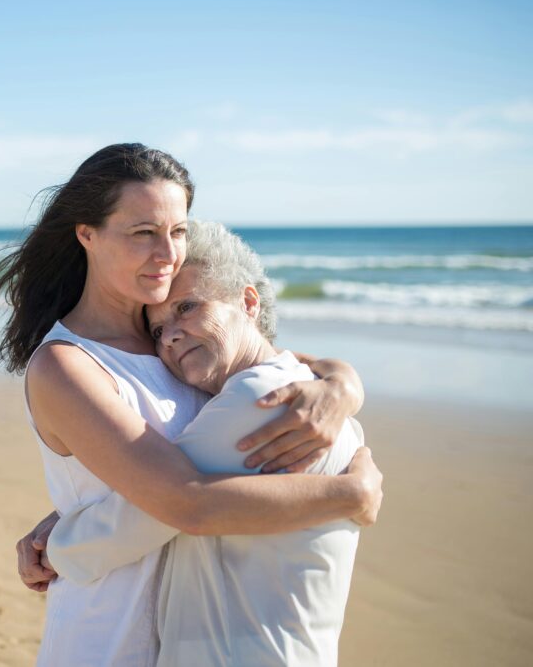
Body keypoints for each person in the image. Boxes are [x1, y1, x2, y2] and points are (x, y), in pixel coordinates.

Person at [0, 143, 382, 666]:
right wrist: (348, 495)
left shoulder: (169, 342)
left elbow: (273, 365)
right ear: (86, 234)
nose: (167, 254)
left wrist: (343, 383)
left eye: (177, 231)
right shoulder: (68, 365)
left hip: (198, 634)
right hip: (111, 636)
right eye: (143, 233)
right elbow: (184, 499)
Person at [42, 220, 369, 666]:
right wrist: (342, 377)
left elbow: (152, 507)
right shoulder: (313, 394)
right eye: (156, 331)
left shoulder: (259, 400)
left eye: (187, 307)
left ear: (248, 301)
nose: (170, 335)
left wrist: (53, 547)